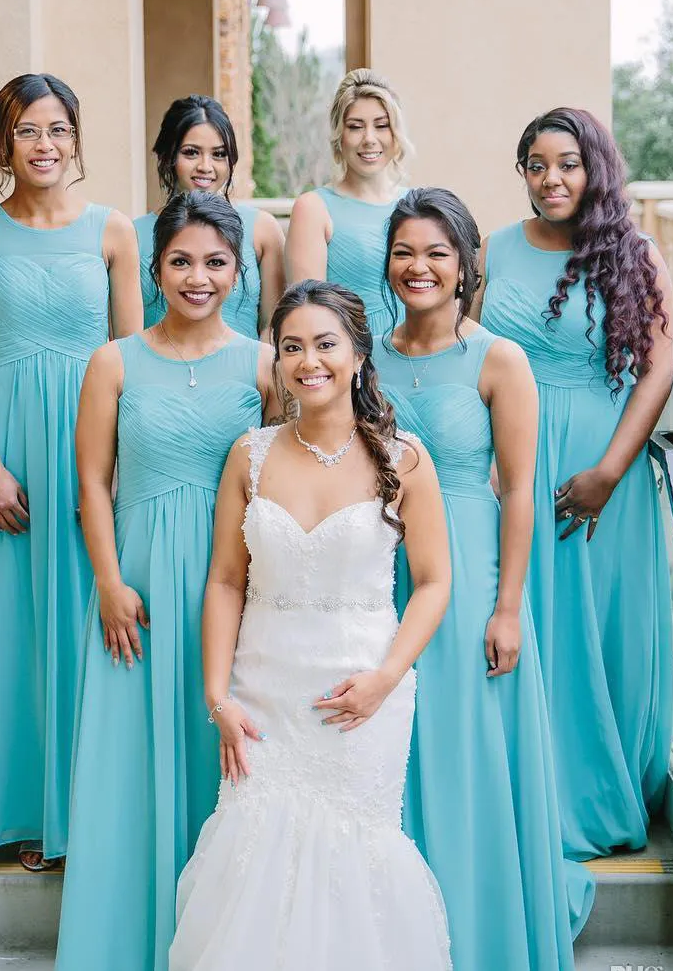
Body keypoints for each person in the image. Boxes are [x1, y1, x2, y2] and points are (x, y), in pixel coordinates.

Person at [170, 280, 453, 970]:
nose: (308, 361)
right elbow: (226, 580)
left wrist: (387, 680)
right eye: (291, 347)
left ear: (357, 353)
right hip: (261, 690)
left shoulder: (403, 458)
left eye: (325, 344)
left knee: (354, 857)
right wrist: (219, 699)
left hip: (361, 691)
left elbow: (435, 582)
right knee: (252, 853)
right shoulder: (251, 454)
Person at [55, 191, 280, 971]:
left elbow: (284, 478)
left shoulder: (262, 363)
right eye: (181, 261)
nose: (198, 276)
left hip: (235, 593)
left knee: (222, 762)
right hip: (139, 593)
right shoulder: (113, 362)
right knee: (132, 771)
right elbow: (91, 484)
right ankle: (126, 942)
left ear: (239, 272)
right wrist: (109, 582)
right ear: (155, 270)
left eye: (215, 262)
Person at [377, 187, 594, 969]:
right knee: (398, 744)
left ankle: (480, 921)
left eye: (437, 253)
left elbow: (520, 493)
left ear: (468, 264)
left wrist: (508, 608)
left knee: (466, 741)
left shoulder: (499, 359)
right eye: (404, 252)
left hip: (470, 574)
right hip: (384, 572)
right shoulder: (365, 353)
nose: (419, 267)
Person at [0, 72, 140, 870]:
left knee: (89, 622)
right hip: (13, 448)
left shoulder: (113, 232)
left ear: (76, 140)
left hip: (93, 448)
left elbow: (132, 360)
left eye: (57, 130)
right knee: (14, 627)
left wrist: (122, 470)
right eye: (27, 131)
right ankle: (22, 810)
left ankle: (88, 810)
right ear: (3, 144)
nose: (44, 145)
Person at [476, 108, 673, 859]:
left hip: (597, 467)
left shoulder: (634, 252)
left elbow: (658, 367)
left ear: (595, 169)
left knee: (593, 630)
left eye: (566, 163)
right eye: (536, 164)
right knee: (520, 620)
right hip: (508, 465)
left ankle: (592, 791)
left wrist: (610, 473)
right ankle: (524, 789)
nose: (551, 179)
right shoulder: (494, 249)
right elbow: (468, 353)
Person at [135, 95, 285, 338]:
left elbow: (272, 326)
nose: (206, 166)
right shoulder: (133, 236)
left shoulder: (262, 230)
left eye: (218, 154)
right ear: (168, 156)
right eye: (192, 152)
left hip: (243, 373)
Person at [285, 69, 409, 336]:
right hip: (353, 359)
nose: (369, 139)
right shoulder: (313, 208)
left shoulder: (415, 203)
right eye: (355, 126)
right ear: (339, 136)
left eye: (381, 125)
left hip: (417, 355)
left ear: (395, 132)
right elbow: (307, 314)